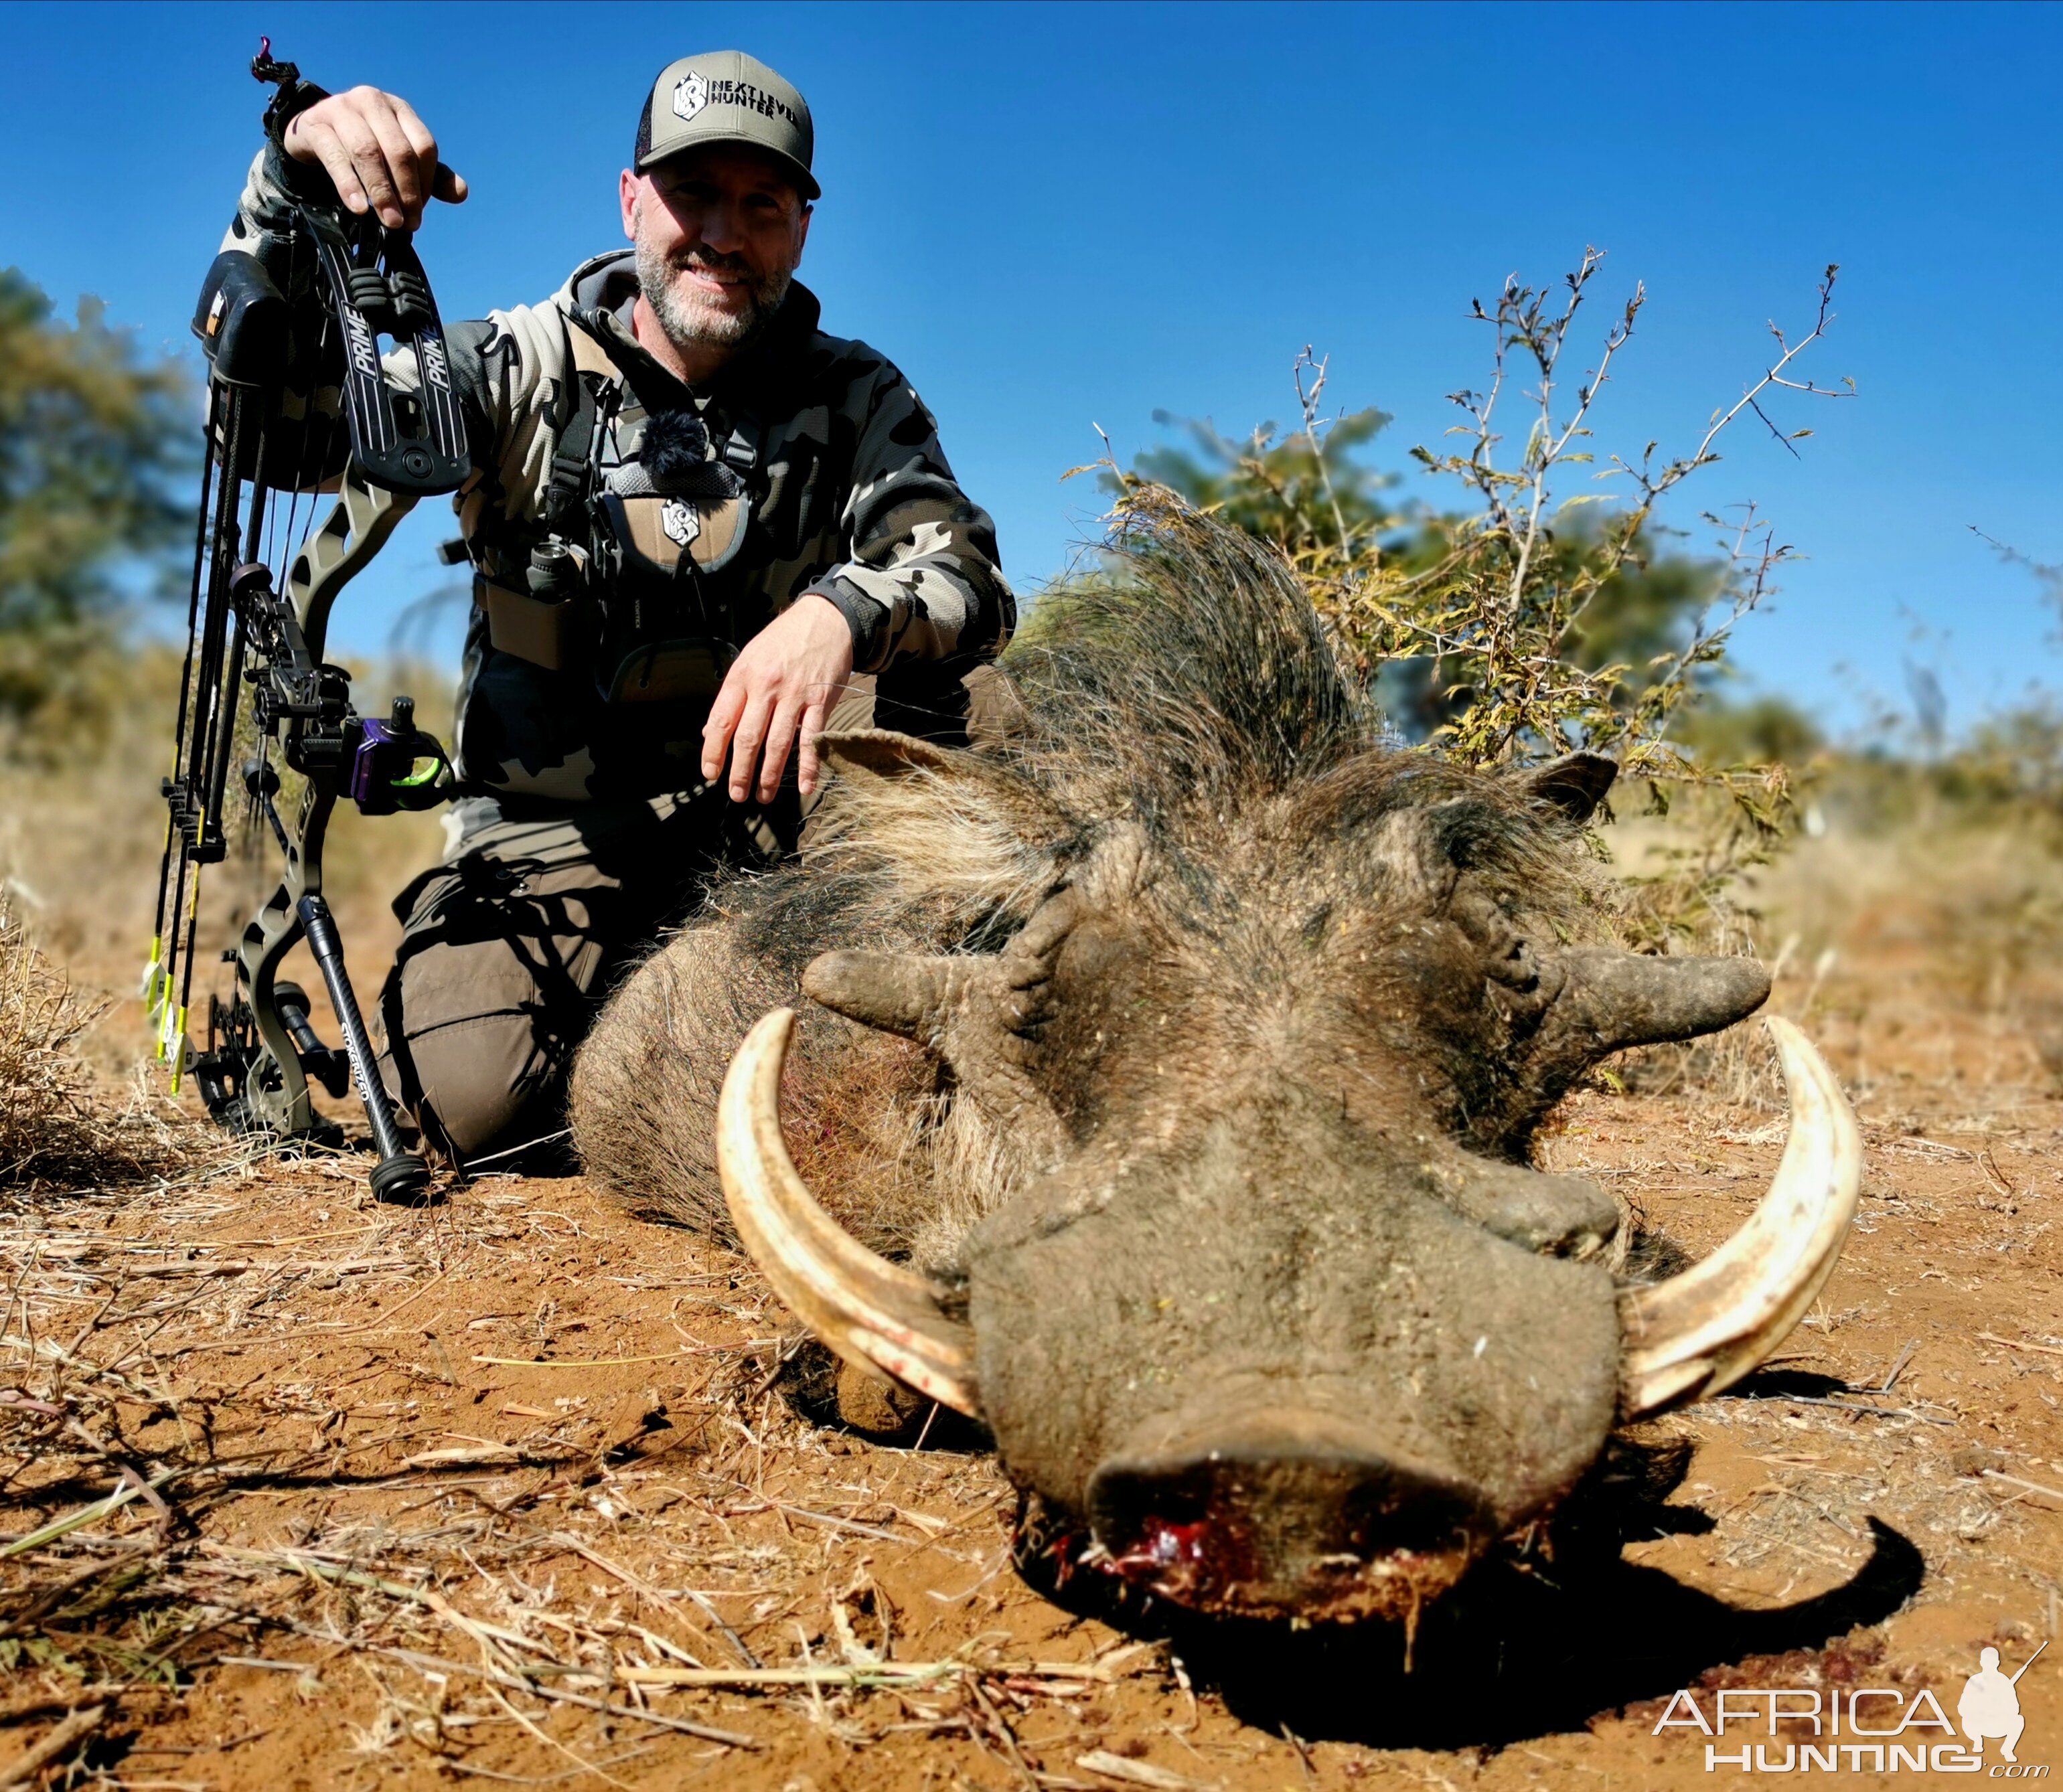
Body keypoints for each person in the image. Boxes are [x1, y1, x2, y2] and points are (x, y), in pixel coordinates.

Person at [220, 51, 1017, 1165]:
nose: (725, 235)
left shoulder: (855, 394)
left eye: (764, 204)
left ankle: (932, 1005)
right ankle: (681, 1027)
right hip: (545, 845)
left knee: (977, 698)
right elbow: (271, 436)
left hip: (779, 826)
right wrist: (288, 186)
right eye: (694, 194)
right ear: (632, 196)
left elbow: (965, 570)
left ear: (802, 225)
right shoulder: (515, 365)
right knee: (462, 1111)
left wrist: (840, 610)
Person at [1957, 1647, 2026, 1762]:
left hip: (1998, 1724)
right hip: (1978, 1725)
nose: (1989, 1665)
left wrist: (2000, 1706)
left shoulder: (2004, 1682)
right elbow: (1962, 1708)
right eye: (1987, 1661)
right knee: (1967, 1720)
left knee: (2019, 1720)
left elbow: (2015, 1708)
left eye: (1992, 1662)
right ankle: (1977, 1741)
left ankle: (2007, 1750)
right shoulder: (1975, 1681)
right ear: (1981, 1663)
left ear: (1997, 1663)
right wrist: (1980, 1709)